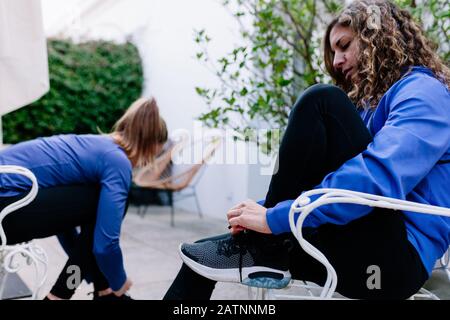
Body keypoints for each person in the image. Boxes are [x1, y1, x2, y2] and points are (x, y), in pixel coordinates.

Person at [164, 0, 450, 300]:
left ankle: (266, 247)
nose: (337, 61)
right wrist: (263, 210)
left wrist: (274, 219)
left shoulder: (425, 93)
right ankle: (265, 247)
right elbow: (328, 179)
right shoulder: (368, 107)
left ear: (376, 38)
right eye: (334, 52)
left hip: (392, 260)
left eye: (344, 45)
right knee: (203, 257)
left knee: (323, 101)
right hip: (356, 238)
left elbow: (379, 177)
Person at [0, 97, 168, 300]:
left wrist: (85, 265)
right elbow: (106, 244)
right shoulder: (117, 160)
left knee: (95, 214)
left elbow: (67, 225)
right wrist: (119, 280)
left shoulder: (94, 146)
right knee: (105, 205)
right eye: (150, 157)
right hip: (7, 206)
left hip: (9, 204)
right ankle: (66, 296)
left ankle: (102, 292)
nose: (143, 163)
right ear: (148, 145)